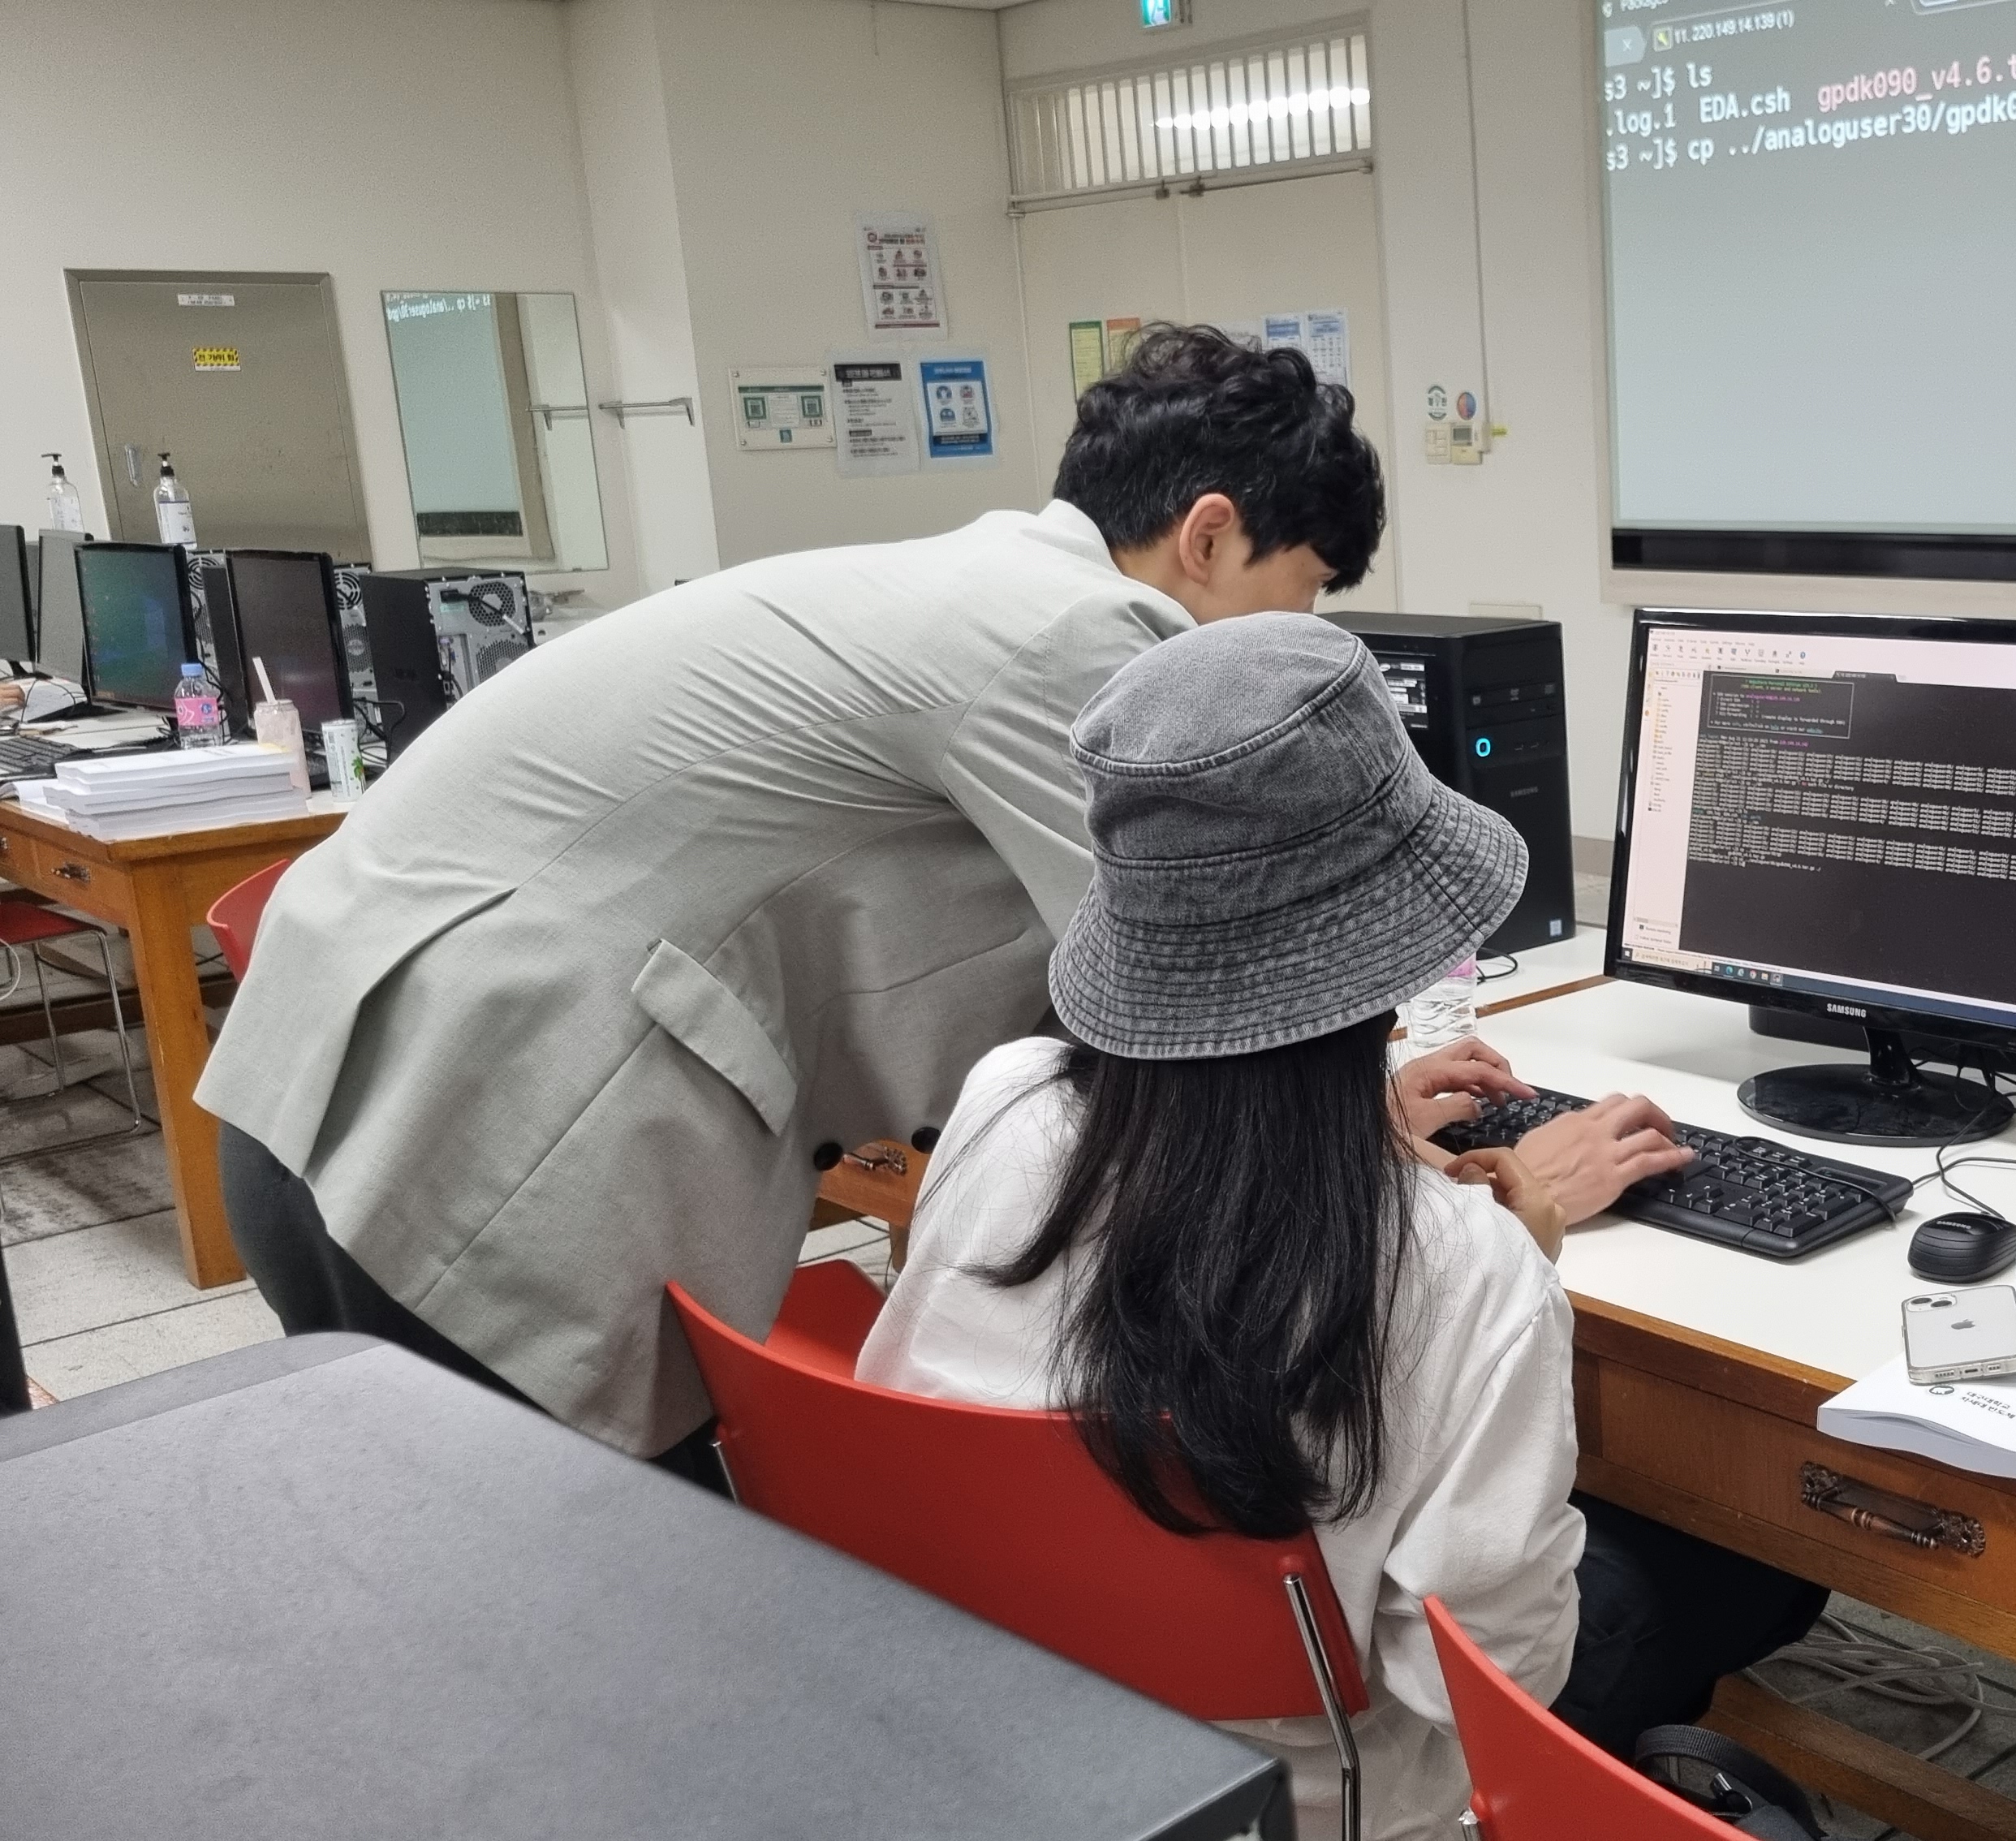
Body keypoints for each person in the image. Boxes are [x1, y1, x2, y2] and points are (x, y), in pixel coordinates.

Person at [196, 326, 1382, 1466]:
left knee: (442, 1557)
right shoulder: (1086, 633)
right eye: (1309, 588)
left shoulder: (966, 582)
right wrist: (1376, 1121)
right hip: (478, 1159)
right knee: (600, 1580)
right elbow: (1200, 983)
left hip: (314, 1101)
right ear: (1208, 535)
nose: (1306, 631)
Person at [858, 614, 1828, 1841]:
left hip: (1005, 1724)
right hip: (1319, 1807)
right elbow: (1483, 1689)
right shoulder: (1462, 1265)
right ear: (1395, 946)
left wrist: (1360, 1134)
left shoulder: (1007, 1098)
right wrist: (1514, 1253)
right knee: (1740, 1557)